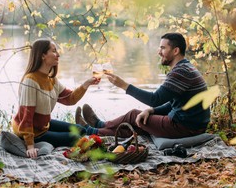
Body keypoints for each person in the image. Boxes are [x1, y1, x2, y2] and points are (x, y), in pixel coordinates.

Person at [75, 32, 210, 139]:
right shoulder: (185, 67)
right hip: (191, 124)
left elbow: (154, 99)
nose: (159, 52)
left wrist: (124, 85)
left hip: (187, 127)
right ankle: (93, 131)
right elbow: (174, 102)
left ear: (175, 51)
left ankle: (98, 125)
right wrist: (151, 111)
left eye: (163, 48)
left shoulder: (181, 72)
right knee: (138, 125)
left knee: (134, 115)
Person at [12, 38, 99, 158]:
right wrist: (30, 145)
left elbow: (70, 99)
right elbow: (26, 117)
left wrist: (87, 83)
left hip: (43, 125)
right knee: (75, 138)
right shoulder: (30, 81)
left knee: (80, 129)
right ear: (43, 55)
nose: (58, 54)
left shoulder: (51, 80)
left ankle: (97, 136)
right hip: (30, 130)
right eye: (54, 51)